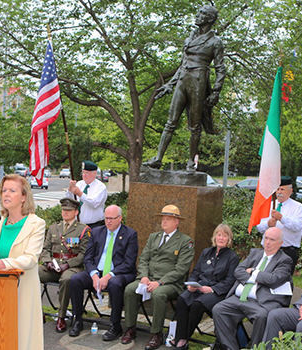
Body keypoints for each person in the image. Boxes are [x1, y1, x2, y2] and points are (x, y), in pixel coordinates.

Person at [144, 5, 226, 171]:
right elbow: (183, 65)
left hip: (198, 80)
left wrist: (216, 91)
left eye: (202, 13)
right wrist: (170, 84)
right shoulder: (189, 38)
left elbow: (220, 68)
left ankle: (190, 162)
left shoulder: (215, 42)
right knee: (170, 122)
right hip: (182, 80)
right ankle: (158, 158)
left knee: (195, 126)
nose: (198, 15)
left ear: (209, 19)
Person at [0, 174, 46, 350]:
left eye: (12, 190)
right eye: (3, 190)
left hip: (22, 289)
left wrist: (3, 264)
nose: (6, 194)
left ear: (24, 196)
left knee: (22, 337)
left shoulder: (36, 224)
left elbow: (31, 258)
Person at [121, 205, 195, 350]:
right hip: (148, 279)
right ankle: (130, 328)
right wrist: (143, 276)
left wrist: (160, 282)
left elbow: (181, 269)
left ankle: (157, 334)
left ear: (177, 222)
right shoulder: (154, 237)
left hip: (171, 283)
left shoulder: (185, 241)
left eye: (168, 219)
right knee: (130, 289)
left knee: (158, 294)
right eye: (163, 218)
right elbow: (143, 259)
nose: (164, 221)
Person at [212, 227, 293, 350]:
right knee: (218, 309)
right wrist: (253, 279)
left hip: (262, 301)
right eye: (266, 238)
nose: (268, 242)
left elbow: (273, 279)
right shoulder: (255, 253)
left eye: (272, 239)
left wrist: (254, 271)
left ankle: (256, 347)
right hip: (240, 297)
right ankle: (231, 347)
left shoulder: (284, 260)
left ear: (280, 243)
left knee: (262, 316)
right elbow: (238, 271)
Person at [68, 205, 139, 341]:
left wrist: (109, 275)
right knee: (76, 279)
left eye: (112, 218)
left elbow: (128, 262)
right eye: (106, 218)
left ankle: (115, 325)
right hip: (98, 271)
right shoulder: (96, 232)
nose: (108, 222)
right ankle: (77, 319)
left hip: (118, 273)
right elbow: (88, 257)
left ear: (120, 218)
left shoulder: (130, 234)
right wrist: (94, 274)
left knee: (115, 284)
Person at [171, 224, 240, 350]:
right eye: (219, 235)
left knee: (197, 305)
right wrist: (191, 284)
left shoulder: (233, 257)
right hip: (198, 287)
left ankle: (184, 338)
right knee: (181, 300)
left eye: (225, 236)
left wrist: (212, 289)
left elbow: (230, 281)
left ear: (229, 239)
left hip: (217, 292)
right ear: (215, 236)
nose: (221, 238)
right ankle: (179, 337)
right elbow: (196, 271)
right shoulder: (206, 252)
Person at [39, 198, 91, 333]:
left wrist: (67, 265)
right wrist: (47, 262)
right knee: (32, 273)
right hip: (53, 265)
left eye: (69, 210)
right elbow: (45, 249)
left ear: (76, 212)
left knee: (67, 279)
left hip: (73, 267)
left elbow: (83, 255)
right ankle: (37, 311)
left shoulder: (83, 230)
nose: (65, 212)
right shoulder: (53, 228)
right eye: (63, 210)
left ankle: (61, 316)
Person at [257, 176, 302, 275]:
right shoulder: (269, 205)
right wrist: (268, 224)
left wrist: (281, 218)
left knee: (283, 279)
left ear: (290, 191)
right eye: (278, 189)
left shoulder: (297, 207)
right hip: (268, 249)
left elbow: (297, 226)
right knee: (264, 276)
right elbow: (259, 227)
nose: (279, 192)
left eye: (282, 189)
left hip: (286, 250)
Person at [66, 160, 108, 228]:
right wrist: (70, 190)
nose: (84, 175)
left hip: (93, 226)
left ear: (94, 173)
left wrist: (80, 194)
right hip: (76, 225)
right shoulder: (79, 184)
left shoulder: (101, 187)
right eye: (83, 172)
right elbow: (69, 200)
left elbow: (94, 203)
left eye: (87, 173)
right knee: (73, 239)